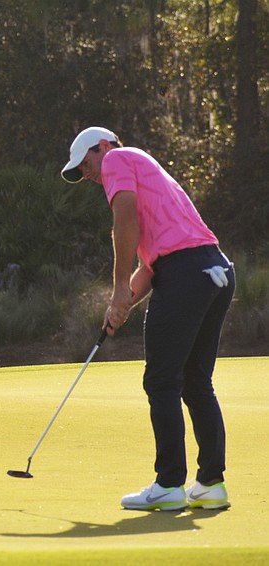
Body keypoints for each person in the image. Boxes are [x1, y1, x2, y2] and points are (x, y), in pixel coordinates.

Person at [61, 126, 235, 511]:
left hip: (187, 273)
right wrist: (122, 303)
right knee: (195, 382)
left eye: (86, 164)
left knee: (161, 381)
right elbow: (154, 265)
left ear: (102, 146)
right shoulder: (146, 168)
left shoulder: (118, 158)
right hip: (214, 270)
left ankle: (169, 485)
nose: (86, 174)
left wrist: (118, 288)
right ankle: (210, 484)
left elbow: (125, 225)